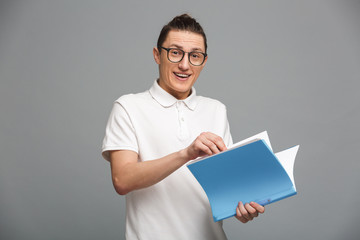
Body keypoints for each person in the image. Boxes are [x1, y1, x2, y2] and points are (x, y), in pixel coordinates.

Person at [102, 14, 265, 240]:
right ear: (157, 55)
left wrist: (241, 209)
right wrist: (186, 154)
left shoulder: (217, 110)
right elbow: (122, 179)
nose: (185, 65)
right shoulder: (128, 107)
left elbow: (224, 190)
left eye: (195, 56)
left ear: (204, 61)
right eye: (175, 52)